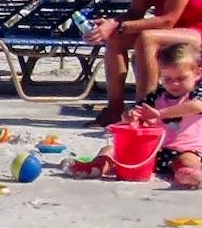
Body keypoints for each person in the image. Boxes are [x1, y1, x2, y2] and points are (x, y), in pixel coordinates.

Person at [71, 42, 202, 187]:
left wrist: (159, 114)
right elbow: (136, 113)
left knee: (187, 160)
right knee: (110, 150)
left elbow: (197, 106)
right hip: (150, 150)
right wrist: (129, 117)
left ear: (197, 74)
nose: (174, 84)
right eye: (167, 79)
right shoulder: (156, 96)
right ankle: (98, 166)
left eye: (181, 78)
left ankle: (188, 174)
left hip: (185, 150)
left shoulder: (196, 94)